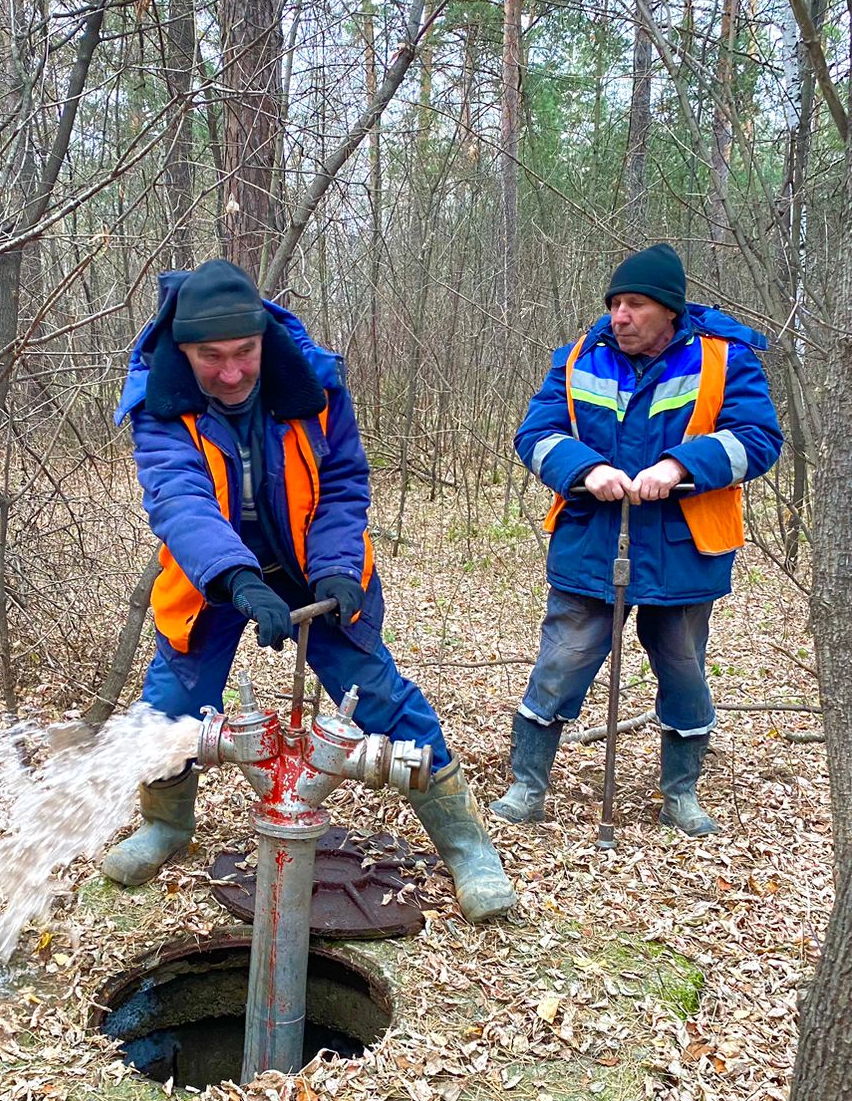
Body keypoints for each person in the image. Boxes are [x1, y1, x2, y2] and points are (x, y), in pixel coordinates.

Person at [103, 257, 514, 922]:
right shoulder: (158, 404)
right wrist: (236, 579)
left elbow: (345, 482)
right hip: (210, 570)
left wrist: (337, 569)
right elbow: (179, 501)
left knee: (380, 692)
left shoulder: (315, 386)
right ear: (184, 350)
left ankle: (465, 844)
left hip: (314, 562)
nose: (232, 372)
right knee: (171, 705)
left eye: (244, 353)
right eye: (212, 357)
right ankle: (166, 826)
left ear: (265, 338)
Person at [493, 243, 783, 834]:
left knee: (682, 667)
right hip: (590, 540)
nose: (618, 316)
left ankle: (681, 793)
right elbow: (537, 432)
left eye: (634, 304)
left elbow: (758, 438)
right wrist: (585, 469)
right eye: (614, 304)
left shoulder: (725, 360)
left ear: (668, 311)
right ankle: (528, 786)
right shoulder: (579, 356)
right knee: (562, 660)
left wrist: (679, 466)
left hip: (684, 546)